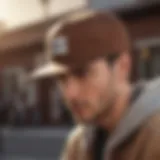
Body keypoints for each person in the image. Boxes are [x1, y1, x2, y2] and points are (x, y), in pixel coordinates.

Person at [29, 9, 160, 160]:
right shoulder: (78, 142)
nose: (70, 93)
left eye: (82, 73)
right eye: (62, 78)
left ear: (123, 66)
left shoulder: (154, 138)